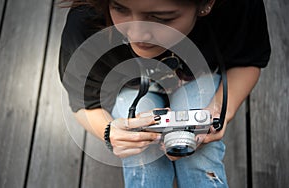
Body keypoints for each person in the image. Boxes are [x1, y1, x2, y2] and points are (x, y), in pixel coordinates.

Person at [59, 0, 271, 187]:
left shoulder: (237, 4)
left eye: (161, 18)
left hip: (196, 80)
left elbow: (249, 59)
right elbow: (83, 103)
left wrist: (222, 108)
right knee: (142, 157)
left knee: (200, 156)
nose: (137, 33)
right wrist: (109, 132)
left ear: (207, 4)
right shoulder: (86, 23)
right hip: (128, 89)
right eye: (120, 8)